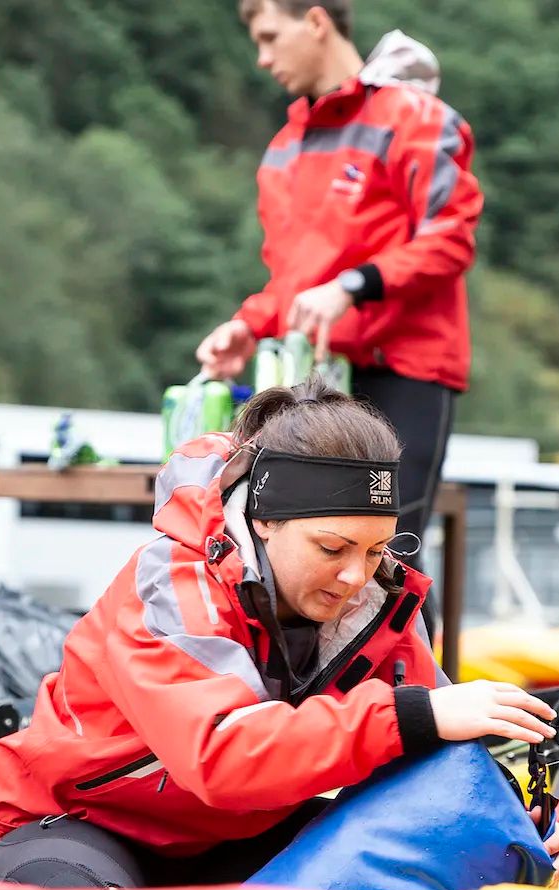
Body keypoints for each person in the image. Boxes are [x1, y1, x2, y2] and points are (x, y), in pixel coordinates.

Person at [0, 380, 559, 890]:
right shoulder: (171, 588)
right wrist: (412, 715)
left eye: (378, 549)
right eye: (332, 548)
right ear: (263, 521)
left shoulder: (379, 604)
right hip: (80, 830)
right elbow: (223, 754)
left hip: (236, 839)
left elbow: (433, 754)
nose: (356, 576)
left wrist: (518, 822)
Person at [196, 2, 482, 573]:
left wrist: (353, 285)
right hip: (320, 382)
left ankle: (404, 668)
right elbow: (293, 281)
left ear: (318, 22)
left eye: (272, 38)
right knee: (305, 561)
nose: (263, 58)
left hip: (404, 371)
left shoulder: (416, 118)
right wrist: (247, 326)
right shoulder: (284, 148)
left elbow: (450, 237)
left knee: (389, 561)